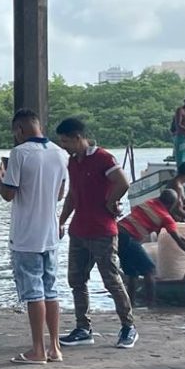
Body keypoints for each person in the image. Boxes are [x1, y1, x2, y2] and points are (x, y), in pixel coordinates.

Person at [55, 117, 137, 349]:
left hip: (102, 230)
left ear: (78, 138)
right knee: (76, 280)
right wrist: (62, 220)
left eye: (66, 141)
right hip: (79, 230)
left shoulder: (103, 158)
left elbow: (123, 182)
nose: (64, 146)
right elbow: (72, 194)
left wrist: (110, 201)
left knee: (111, 279)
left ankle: (128, 326)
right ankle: (83, 328)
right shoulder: (73, 162)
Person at [0, 109, 68, 365]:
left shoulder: (19, 153)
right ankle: (55, 347)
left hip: (26, 235)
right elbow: (60, 194)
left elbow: (9, 194)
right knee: (51, 289)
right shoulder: (61, 154)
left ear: (19, 130)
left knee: (34, 292)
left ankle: (37, 349)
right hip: (50, 234)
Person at [117, 189, 185, 304]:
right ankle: (150, 304)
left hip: (116, 234)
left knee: (132, 273)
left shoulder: (148, 203)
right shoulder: (165, 217)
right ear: (172, 204)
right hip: (128, 238)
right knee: (149, 270)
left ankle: (130, 304)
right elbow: (180, 241)